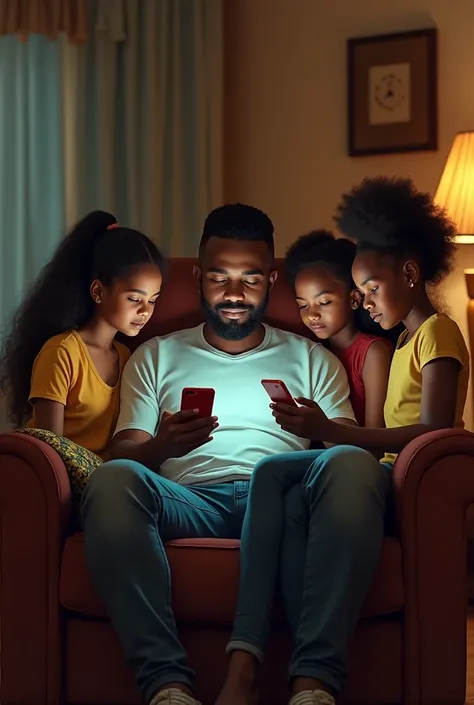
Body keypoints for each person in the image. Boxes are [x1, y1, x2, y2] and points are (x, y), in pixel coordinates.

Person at [80, 203, 372, 705]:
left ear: (271, 279)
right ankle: (167, 686)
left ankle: (314, 684)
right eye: (219, 278)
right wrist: (162, 446)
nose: (234, 294)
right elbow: (123, 454)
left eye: (250, 279)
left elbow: (346, 445)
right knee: (111, 482)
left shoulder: (311, 358)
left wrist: (319, 430)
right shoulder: (156, 355)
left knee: (354, 464)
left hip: (287, 503)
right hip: (193, 502)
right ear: (197, 277)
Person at [219, 177, 469, 705]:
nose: (366, 303)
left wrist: (332, 432)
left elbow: (436, 432)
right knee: (271, 474)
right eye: (360, 293)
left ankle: (313, 675)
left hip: (395, 476)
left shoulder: (439, 334)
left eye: (371, 290)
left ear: (409, 272)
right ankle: (249, 650)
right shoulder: (403, 343)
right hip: (369, 465)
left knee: (332, 467)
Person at [0, 210, 163, 459]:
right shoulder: (61, 353)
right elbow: (50, 450)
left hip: (109, 479)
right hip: (61, 477)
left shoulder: (127, 356)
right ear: (98, 291)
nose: (145, 311)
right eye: (134, 298)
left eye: (152, 301)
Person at [284, 229, 392, 426]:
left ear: (354, 299)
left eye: (324, 302)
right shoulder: (313, 352)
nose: (312, 315)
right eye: (303, 305)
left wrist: (326, 430)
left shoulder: (373, 353)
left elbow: (377, 437)